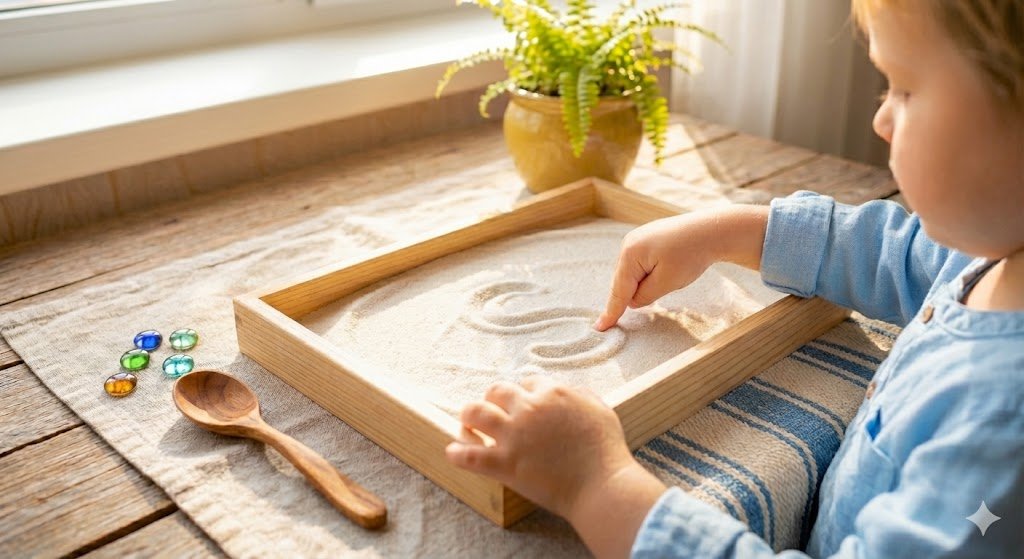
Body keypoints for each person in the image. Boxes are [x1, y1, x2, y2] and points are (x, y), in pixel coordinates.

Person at [444, 0, 1024, 556]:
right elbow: (899, 255)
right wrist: (731, 232)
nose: (880, 119)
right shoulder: (990, 251)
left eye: (906, 89)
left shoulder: (1000, 431)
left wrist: (595, 484)